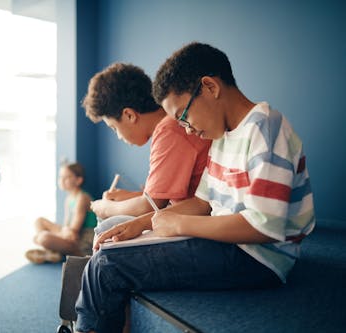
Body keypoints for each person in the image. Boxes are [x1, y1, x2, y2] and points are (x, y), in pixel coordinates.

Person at [74, 42, 315, 333]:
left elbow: (264, 227)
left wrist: (179, 225)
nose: (187, 129)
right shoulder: (223, 138)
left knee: (107, 266)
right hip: (229, 245)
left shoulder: (266, 127)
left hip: (258, 258)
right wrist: (141, 223)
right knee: (113, 244)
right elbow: (203, 202)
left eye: (184, 116)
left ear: (210, 87)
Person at [82, 63, 211, 228]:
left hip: (198, 223)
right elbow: (160, 198)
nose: (119, 136)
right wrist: (133, 197)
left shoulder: (169, 130)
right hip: (190, 215)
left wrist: (106, 208)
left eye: (114, 128)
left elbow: (149, 206)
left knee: (108, 226)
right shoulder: (169, 125)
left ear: (129, 115)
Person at [25, 162, 97, 264]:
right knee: (39, 221)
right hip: (71, 234)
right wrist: (63, 231)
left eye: (66, 177)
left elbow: (74, 230)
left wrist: (62, 233)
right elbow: (66, 225)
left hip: (82, 239)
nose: (62, 180)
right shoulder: (69, 198)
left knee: (43, 238)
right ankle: (53, 252)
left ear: (78, 180)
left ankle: (53, 251)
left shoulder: (82, 197)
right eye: (60, 177)